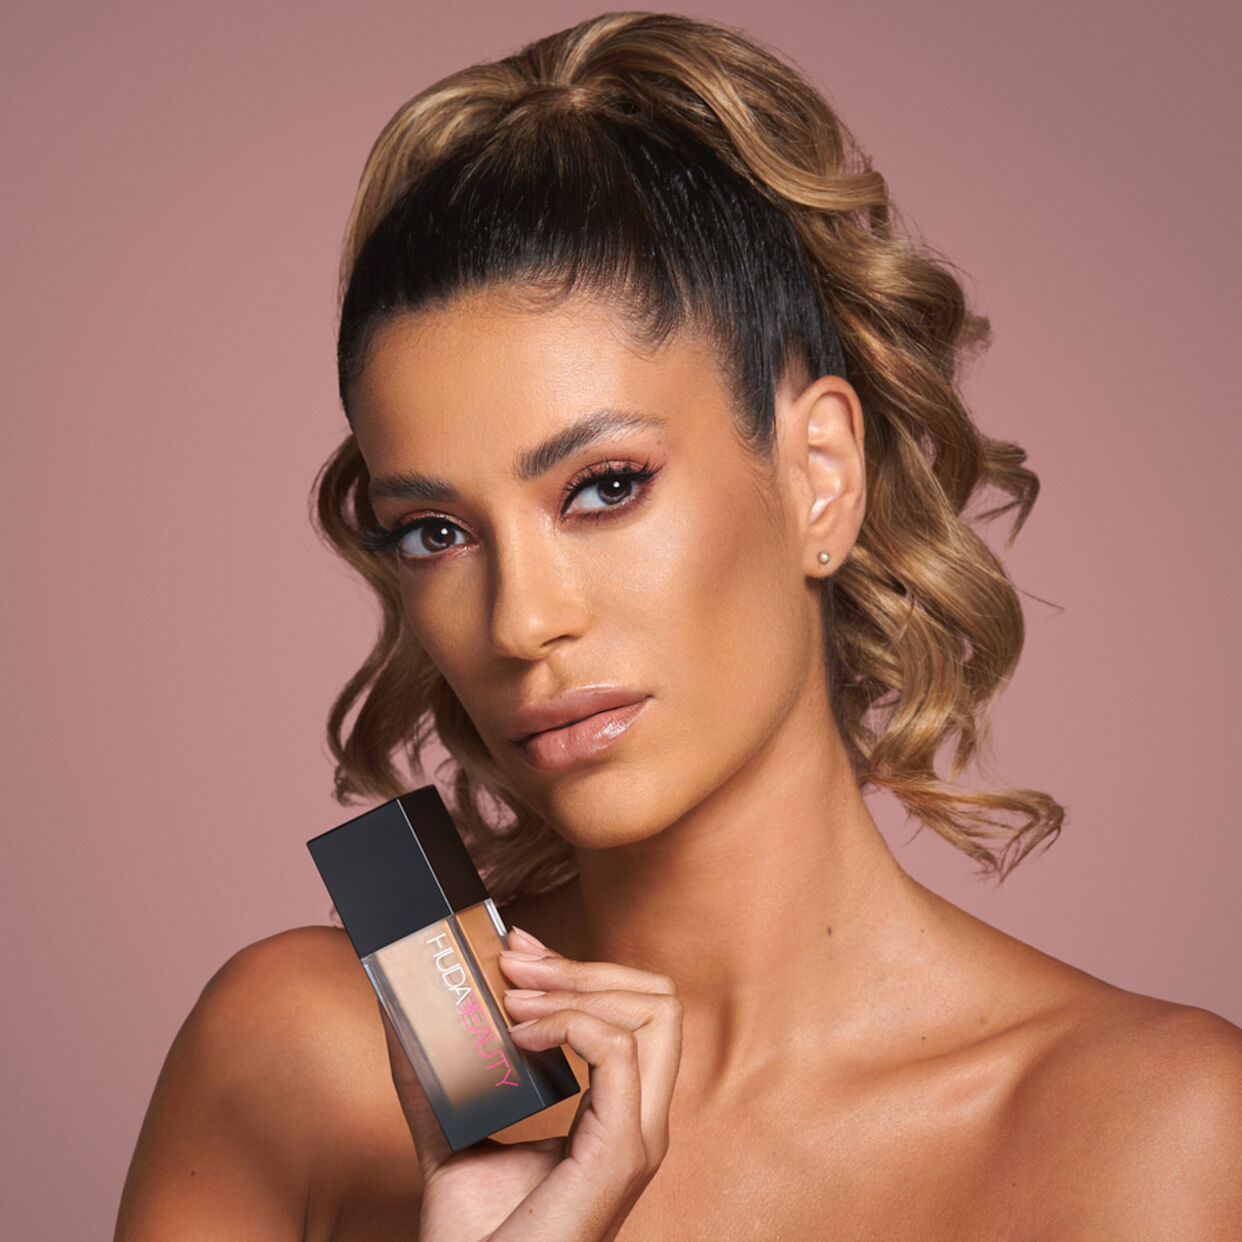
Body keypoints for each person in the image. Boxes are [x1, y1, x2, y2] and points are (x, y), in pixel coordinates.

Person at [114, 11, 1242, 1239]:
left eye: (605, 487)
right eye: (436, 531)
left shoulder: (1152, 1136)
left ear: (818, 477)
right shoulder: (301, 1063)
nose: (523, 622)